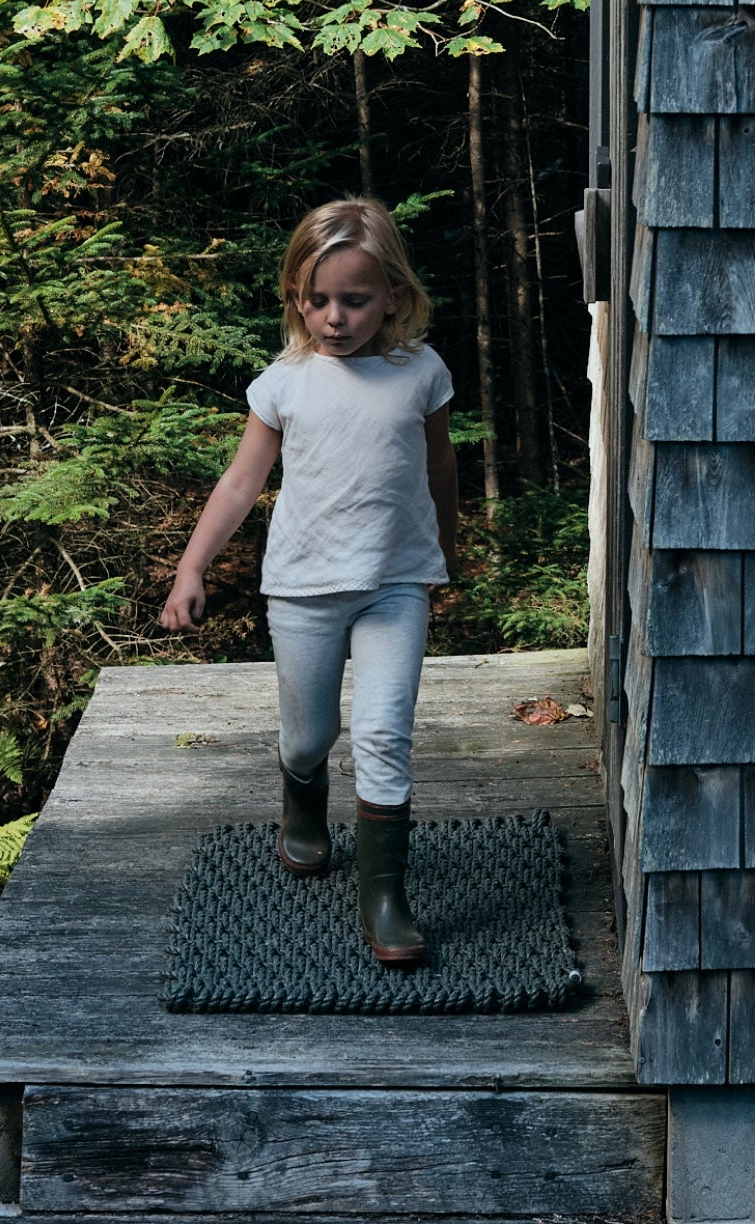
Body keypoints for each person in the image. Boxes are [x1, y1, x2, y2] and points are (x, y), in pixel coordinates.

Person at [160, 197, 459, 967]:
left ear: (393, 294)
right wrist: (191, 568)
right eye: (318, 299)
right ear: (296, 297)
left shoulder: (420, 373)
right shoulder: (284, 384)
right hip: (302, 590)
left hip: (395, 584)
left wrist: (443, 557)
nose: (335, 317)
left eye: (355, 300)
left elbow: (439, 469)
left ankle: (384, 897)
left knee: (384, 731)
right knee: (311, 733)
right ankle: (301, 793)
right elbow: (239, 484)